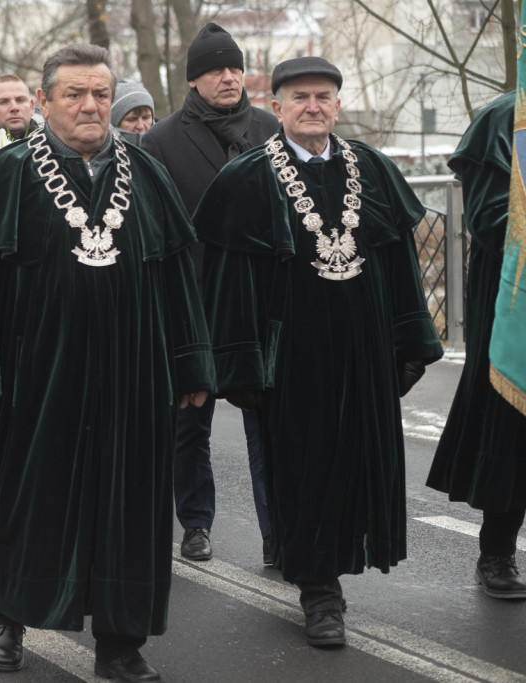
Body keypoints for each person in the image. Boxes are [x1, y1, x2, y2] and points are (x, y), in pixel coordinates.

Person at [0, 44, 215, 680]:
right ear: (43, 103)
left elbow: (177, 281)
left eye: (99, 94)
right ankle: (8, 618)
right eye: (74, 95)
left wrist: (193, 366)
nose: (91, 106)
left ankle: (121, 645)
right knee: (30, 500)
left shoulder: (147, 178)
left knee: (129, 511)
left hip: (133, 378)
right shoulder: (2, 176)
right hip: (37, 377)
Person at [193, 56, 443, 648]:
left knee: (356, 465)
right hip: (292, 356)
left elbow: (401, 264)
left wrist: (411, 340)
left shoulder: (374, 170)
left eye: (324, 96)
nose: (313, 106)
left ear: (337, 103)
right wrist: (240, 362)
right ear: (275, 107)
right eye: (300, 97)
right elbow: (228, 285)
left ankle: (325, 563)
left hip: (363, 349)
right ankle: (320, 593)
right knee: (302, 470)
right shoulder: (247, 178)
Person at [142, 21, 279, 565]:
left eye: (234, 66)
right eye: (214, 69)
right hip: (194, 304)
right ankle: (195, 523)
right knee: (189, 424)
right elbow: (157, 230)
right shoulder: (161, 140)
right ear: (194, 80)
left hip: (261, 305)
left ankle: (277, 533)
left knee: (268, 427)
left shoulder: (271, 128)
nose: (228, 76)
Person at [427, 91, 526, 599]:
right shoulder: (504, 118)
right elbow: (492, 220)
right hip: (516, 304)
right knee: (510, 426)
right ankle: (497, 552)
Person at [0, 74, 39, 142]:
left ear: (31, 107)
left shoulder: (51, 148)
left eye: (20, 100)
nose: (14, 107)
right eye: (3, 102)